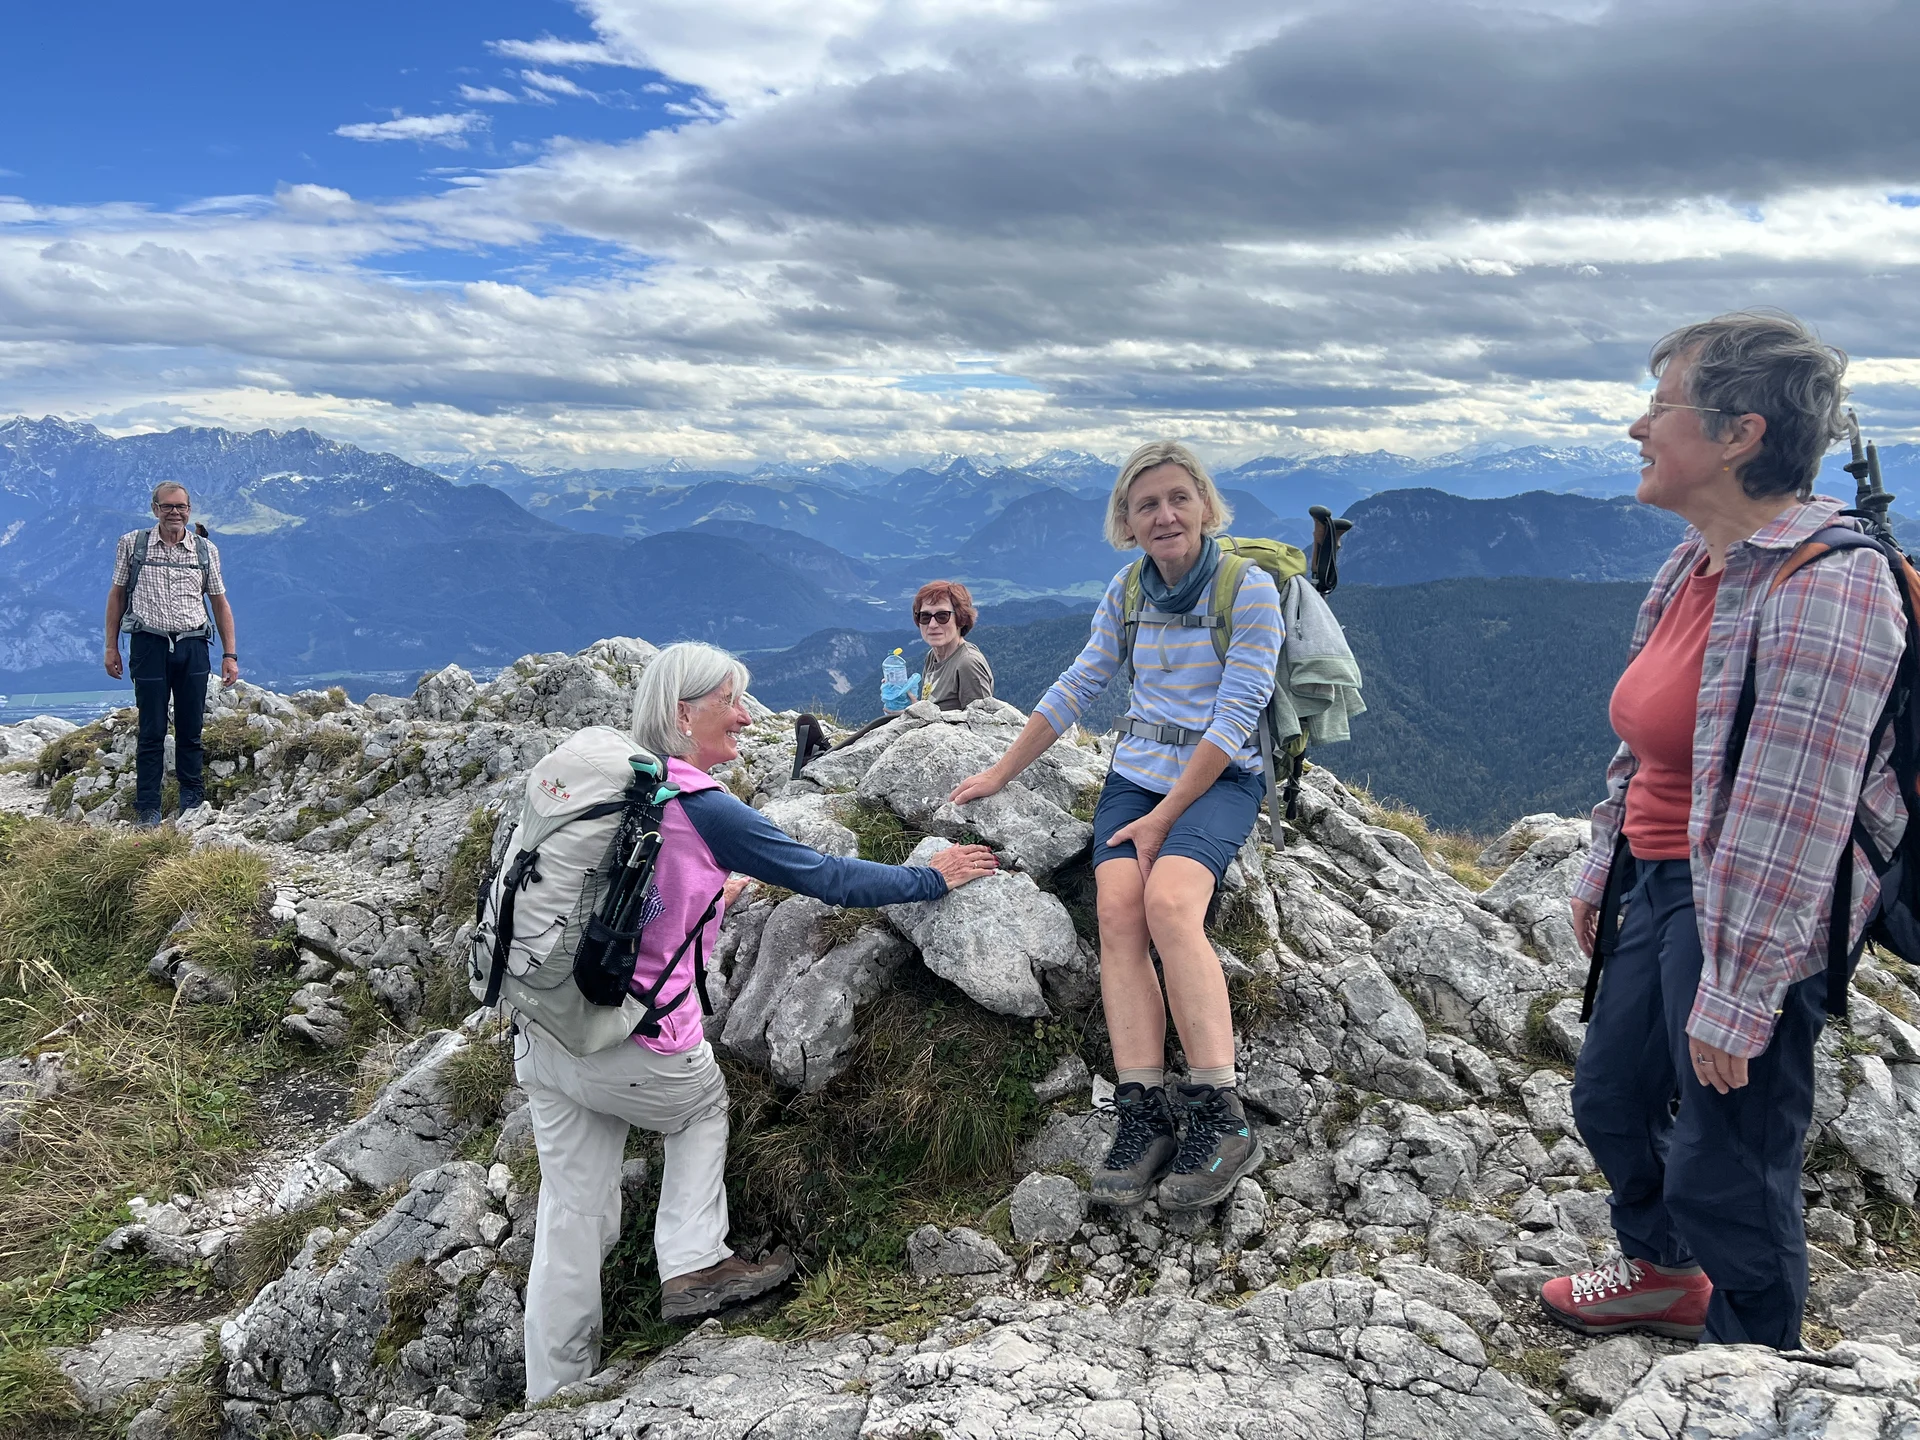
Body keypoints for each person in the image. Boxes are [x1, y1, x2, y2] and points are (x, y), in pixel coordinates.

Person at [1541, 312, 1903, 1349]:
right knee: (1610, 1101)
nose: (1636, 429)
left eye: (1659, 408)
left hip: (1749, 910)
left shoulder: (1827, 588)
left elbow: (1801, 813)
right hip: (1657, 883)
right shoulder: (1696, 567)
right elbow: (1641, 742)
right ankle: (1661, 1277)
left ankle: (1757, 1368)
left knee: (1727, 1159)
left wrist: (1740, 994)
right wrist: (1605, 865)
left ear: (1740, 434)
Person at [516, 641, 998, 1402]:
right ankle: (694, 1261)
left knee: (572, 1212)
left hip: (545, 1030)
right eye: (728, 702)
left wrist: (715, 897)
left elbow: (622, 894)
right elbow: (826, 875)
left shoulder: (605, 783)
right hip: (632, 1045)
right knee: (701, 1107)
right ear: (684, 714)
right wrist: (927, 876)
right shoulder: (700, 805)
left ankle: (554, 1388)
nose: (745, 715)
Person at [951, 441, 1281, 1211]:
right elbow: (1080, 682)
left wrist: (1166, 817)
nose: (1164, 515)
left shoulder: (1248, 589)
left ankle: (1221, 1116)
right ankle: (1144, 1113)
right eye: (1146, 505)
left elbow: (1235, 717)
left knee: (1169, 905)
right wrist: (1004, 769)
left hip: (1218, 780)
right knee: (1116, 911)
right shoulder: (1127, 590)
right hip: (1135, 775)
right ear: (1127, 523)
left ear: (1204, 504)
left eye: (1178, 498)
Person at [104, 482, 240, 826]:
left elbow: (220, 603)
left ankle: (191, 802)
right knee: (151, 728)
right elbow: (117, 595)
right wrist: (110, 646)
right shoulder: (132, 545)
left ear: (189, 510)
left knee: (191, 728)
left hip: (193, 645)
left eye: (181, 507)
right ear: (155, 509)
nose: (174, 513)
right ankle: (147, 808)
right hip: (148, 644)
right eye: (167, 507)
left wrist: (230, 654)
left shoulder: (205, 550)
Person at [913, 580, 994, 711]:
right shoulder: (933, 656)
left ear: (961, 618)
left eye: (942, 616)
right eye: (925, 616)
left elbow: (982, 724)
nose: (932, 624)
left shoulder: (968, 663)